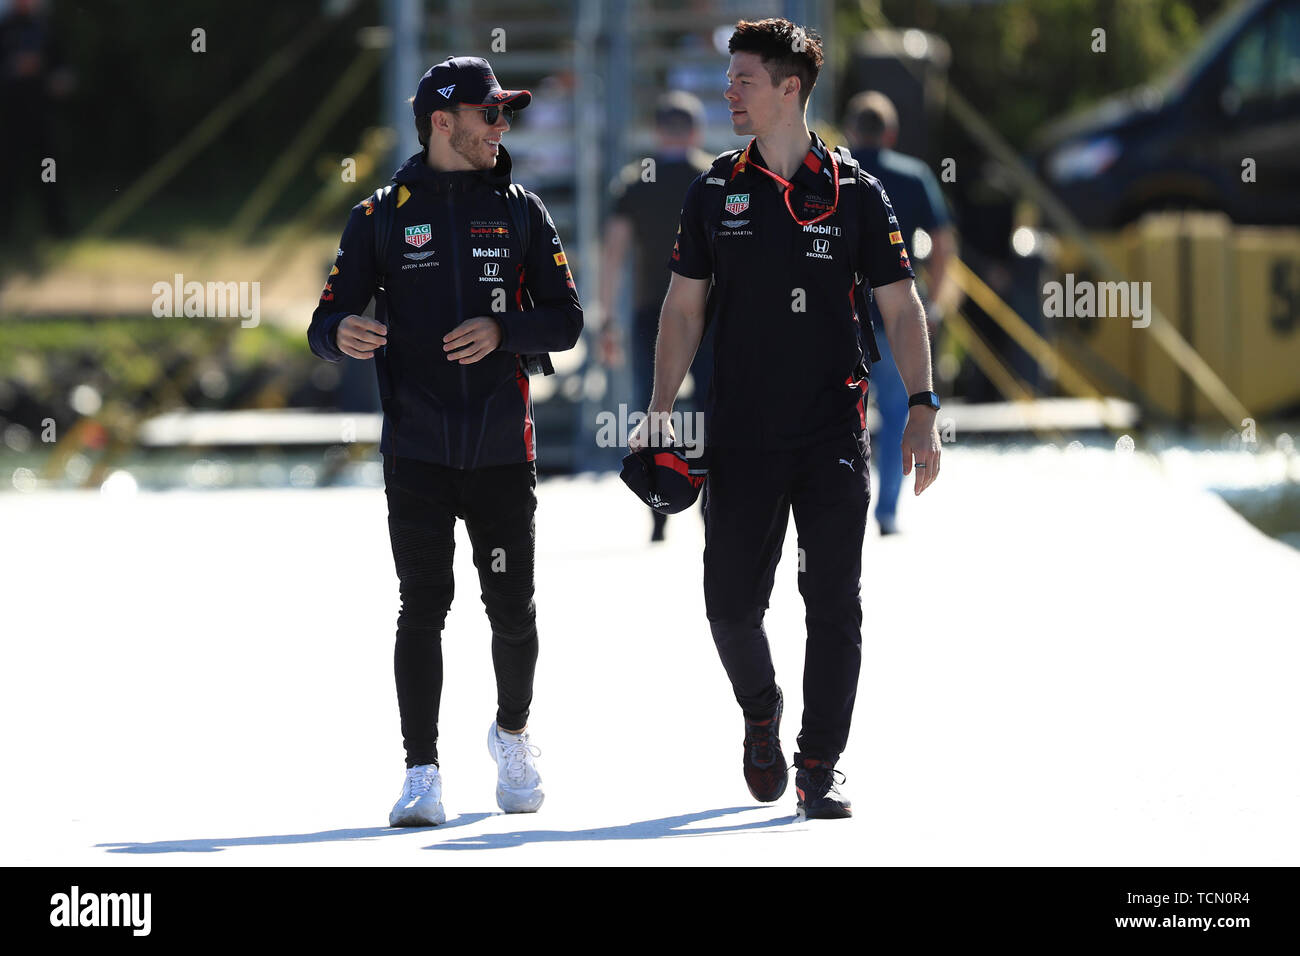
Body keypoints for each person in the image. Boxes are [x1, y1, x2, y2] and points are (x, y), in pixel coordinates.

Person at [630, 19, 941, 819]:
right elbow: (682, 310)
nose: (728, 92)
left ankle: (822, 763)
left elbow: (902, 310)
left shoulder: (856, 194)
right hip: (736, 432)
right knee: (730, 606)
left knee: (835, 603)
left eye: (743, 80)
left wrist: (924, 408)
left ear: (789, 88)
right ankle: (762, 710)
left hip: (833, 429)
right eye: (728, 79)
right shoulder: (713, 192)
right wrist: (660, 411)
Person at [307, 57, 583, 827]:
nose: (501, 127)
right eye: (489, 114)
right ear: (442, 122)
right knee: (422, 604)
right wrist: (343, 334)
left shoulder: (523, 210)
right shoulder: (379, 216)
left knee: (512, 609)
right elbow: (321, 324)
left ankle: (514, 733)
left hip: (501, 444)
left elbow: (566, 319)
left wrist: (503, 330)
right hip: (418, 447)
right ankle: (421, 769)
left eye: (504, 115)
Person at [598, 91, 715, 542]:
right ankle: (707, 503)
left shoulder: (634, 182)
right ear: (696, 131)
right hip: (708, 310)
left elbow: (613, 254)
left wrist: (608, 321)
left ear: (656, 132)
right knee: (709, 408)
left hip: (653, 309)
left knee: (652, 409)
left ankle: (658, 507)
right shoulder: (712, 177)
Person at [843, 91, 956, 535]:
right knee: (895, 416)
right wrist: (934, 303)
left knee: (842, 418)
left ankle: (845, 506)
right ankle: (886, 510)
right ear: (890, 133)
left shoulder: (837, 175)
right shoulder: (914, 176)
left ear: (851, 130)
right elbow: (943, 243)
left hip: (844, 315)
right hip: (896, 314)